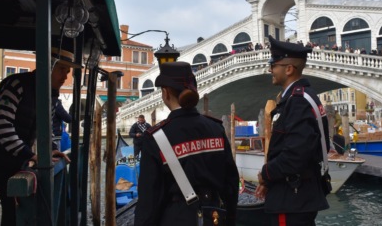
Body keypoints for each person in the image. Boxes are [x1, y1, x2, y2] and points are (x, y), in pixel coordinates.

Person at [0, 47, 77, 226]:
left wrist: (51, 149)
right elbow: (2, 125)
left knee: (13, 215)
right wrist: (31, 155)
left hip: (12, 161)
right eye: (61, 70)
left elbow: (45, 129)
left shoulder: (51, 97)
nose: (65, 77)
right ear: (49, 66)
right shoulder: (17, 85)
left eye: (68, 72)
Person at [134, 62, 239, 226]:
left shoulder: (156, 137)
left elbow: (149, 201)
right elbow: (231, 184)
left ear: (166, 93)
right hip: (215, 217)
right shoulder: (216, 128)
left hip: (177, 218)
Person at [256, 36, 329, 226]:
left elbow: (295, 155)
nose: (270, 69)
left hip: (291, 199)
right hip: (298, 195)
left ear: (289, 69)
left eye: (274, 64)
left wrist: (266, 174)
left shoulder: (297, 102)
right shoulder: (304, 97)